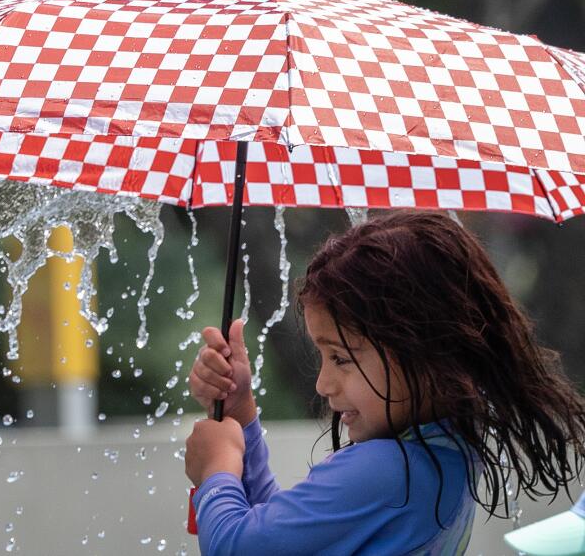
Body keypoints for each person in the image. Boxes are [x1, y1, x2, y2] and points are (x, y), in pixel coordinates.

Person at [185, 211, 585, 555]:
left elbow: (239, 547)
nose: (323, 383)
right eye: (323, 357)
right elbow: (284, 540)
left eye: (341, 358)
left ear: (425, 350)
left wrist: (217, 470)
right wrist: (241, 416)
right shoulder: (448, 449)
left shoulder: (390, 471)